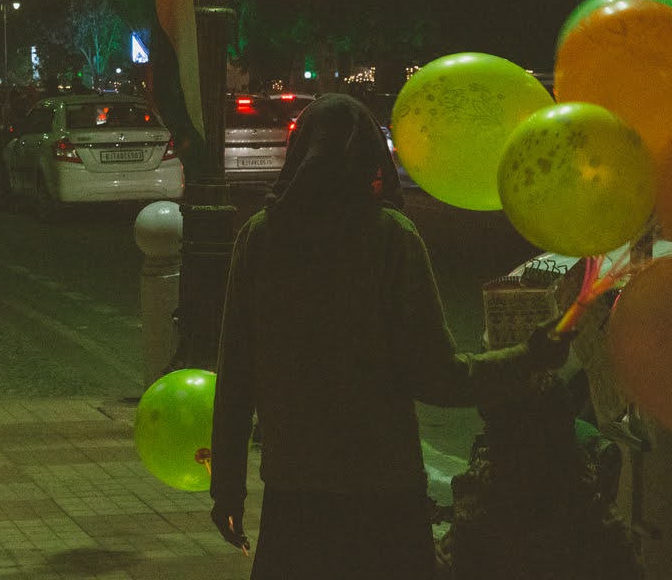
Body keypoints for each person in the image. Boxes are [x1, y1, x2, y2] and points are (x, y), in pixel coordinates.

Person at [208, 94, 573, 579]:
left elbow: (235, 377)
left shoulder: (259, 239)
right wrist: (528, 358)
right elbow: (438, 376)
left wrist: (228, 490)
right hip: (382, 494)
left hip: (294, 495)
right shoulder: (390, 239)